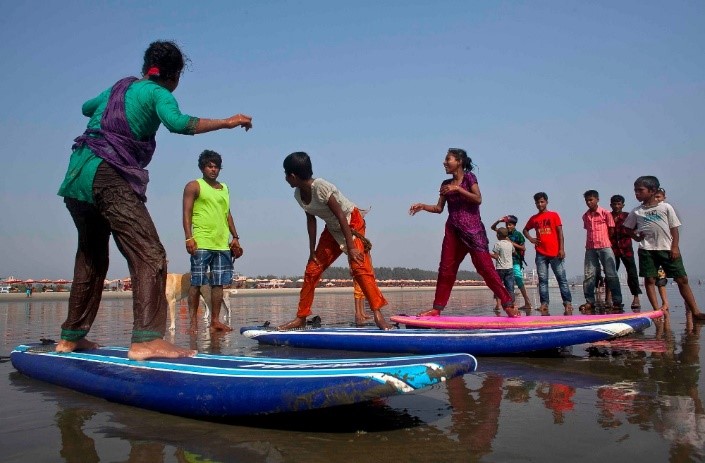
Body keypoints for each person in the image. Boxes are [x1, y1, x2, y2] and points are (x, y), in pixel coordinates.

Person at [56, 41, 253, 361]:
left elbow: (86, 107)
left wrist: (114, 104)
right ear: (173, 76)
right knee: (150, 254)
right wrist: (227, 122)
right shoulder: (159, 93)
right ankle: (147, 339)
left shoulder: (120, 87)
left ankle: (71, 338)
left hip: (77, 176)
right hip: (108, 175)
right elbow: (179, 123)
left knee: (91, 256)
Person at [278, 152, 391, 330]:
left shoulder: (321, 187)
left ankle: (378, 314)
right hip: (332, 228)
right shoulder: (298, 195)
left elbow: (340, 215)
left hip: (351, 222)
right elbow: (311, 220)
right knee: (312, 270)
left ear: (293, 176)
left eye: (286, 174)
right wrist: (311, 252)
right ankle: (301, 317)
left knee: (359, 267)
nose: (285, 178)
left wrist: (352, 247)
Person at [409, 148, 518, 317]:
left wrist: (458, 189)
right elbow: (439, 208)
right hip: (453, 232)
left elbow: (478, 199)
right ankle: (437, 308)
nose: (444, 163)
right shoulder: (445, 184)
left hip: (474, 232)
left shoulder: (469, 178)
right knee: (446, 269)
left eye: (448, 159)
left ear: (459, 161)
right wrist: (423, 206)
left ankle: (508, 304)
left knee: (486, 268)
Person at [623, 176, 705, 320]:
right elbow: (627, 228)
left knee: (682, 279)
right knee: (649, 280)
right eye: (635, 191)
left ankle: (695, 311)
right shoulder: (637, 211)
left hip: (666, 248)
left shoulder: (665, 207)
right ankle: (656, 311)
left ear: (652, 190)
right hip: (647, 249)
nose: (637, 194)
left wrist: (675, 247)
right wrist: (636, 237)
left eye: (640, 190)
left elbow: (674, 228)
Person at [183, 150, 243, 333]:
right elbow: (186, 213)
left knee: (219, 283)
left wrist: (236, 237)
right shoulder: (194, 186)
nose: (213, 169)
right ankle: (193, 322)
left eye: (216, 166)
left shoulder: (224, 188)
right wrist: (188, 237)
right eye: (210, 166)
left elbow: (227, 214)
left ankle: (215, 320)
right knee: (197, 282)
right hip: (201, 241)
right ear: (202, 167)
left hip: (221, 244)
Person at [522, 192, 573, 315]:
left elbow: (560, 233)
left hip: (555, 252)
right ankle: (544, 304)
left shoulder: (554, 215)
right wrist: (531, 239)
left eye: (542, 202)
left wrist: (562, 249)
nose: (540, 204)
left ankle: (567, 303)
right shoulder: (534, 218)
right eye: (537, 202)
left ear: (546, 202)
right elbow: (525, 230)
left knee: (561, 278)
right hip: (540, 253)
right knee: (543, 279)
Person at [578, 190, 623, 313]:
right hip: (590, 247)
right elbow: (588, 229)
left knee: (611, 274)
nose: (589, 202)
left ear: (597, 199)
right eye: (587, 200)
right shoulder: (585, 216)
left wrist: (605, 240)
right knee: (589, 275)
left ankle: (617, 301)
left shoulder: (605, 213)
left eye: (591, 200)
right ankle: (589, 301)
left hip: (604, 246)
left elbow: (612, 230)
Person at [607, 194, 642, 310]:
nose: (617, 206)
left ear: (623, 205)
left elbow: (637, 227)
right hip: (612, 249)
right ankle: (608, 297)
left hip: (626, 248)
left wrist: (632, 234)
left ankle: (636, 297)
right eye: (614, 204)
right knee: (610, 274)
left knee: (632, 273)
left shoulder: (628, 216)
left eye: (619, 204)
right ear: (611, 205)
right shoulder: (608, 216)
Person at [491, 215, 533, 311]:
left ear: (514, 225)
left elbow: (523, 248)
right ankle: (498, 305)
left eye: (510, 225)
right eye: (507, 224)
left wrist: (511, 243)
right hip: (503, 264)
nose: (508, 226)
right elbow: (493, 228)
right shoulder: (503, 232)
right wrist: (499, 220)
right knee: (499, 283)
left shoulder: (518, 235)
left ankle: (526, 302)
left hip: (515, 261)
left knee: (518, 280)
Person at [490, 227, 515, 310]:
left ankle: (498, 305)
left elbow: (496, 256)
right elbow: (514, 252)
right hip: (510, 268)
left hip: (500, 268)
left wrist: (487, 254)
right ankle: (512, 304)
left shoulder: (498, 244)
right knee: (510, 287)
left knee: (498, 286)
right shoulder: (510, 244)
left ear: (498, 235)